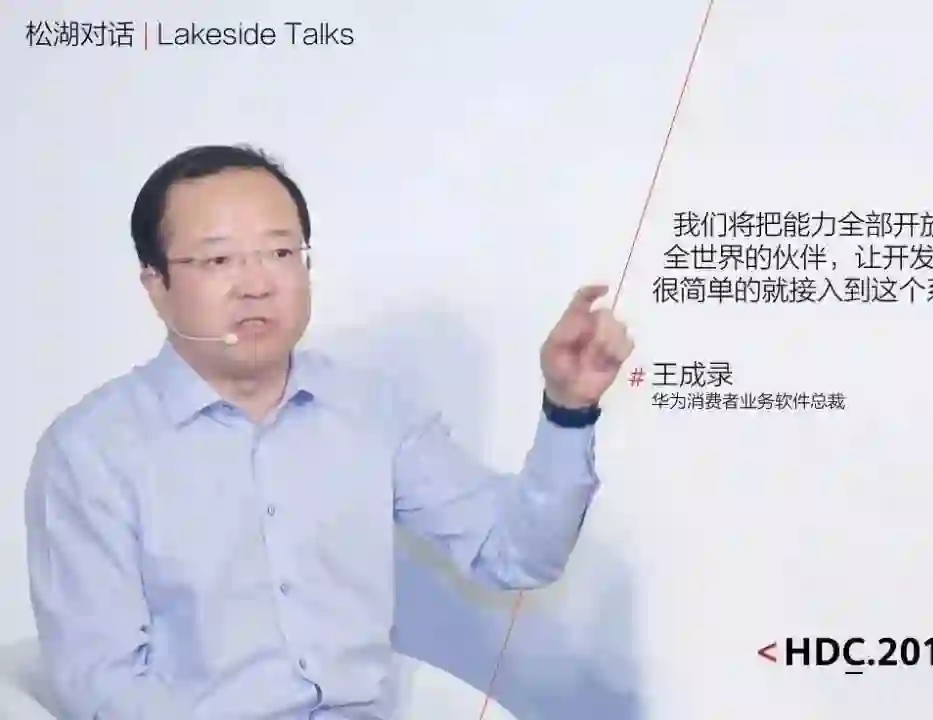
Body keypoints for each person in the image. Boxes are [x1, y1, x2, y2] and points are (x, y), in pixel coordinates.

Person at [24, 144, 634, 719]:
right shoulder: (91, 452)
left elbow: (515, 553)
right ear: (156, 284)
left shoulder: (370, 410)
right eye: (218, 260)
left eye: (280, 252)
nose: (257, 283)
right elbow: (104, 685)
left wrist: (567, 409)